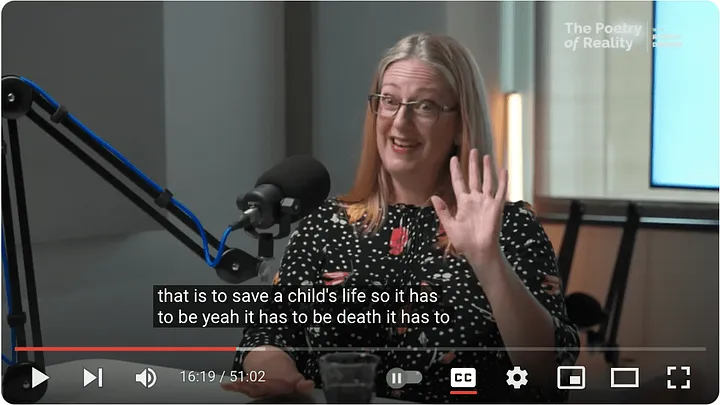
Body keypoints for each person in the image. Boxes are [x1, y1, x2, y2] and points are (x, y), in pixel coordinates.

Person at [222, 32, 580, 403]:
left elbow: (554, 370)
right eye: (389, 101)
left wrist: (489, 261)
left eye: (425, 106)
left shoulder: (512, 226)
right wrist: (276, 373)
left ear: (460, 123)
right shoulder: (325, 225)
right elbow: (268, 335)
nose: (400, 123)